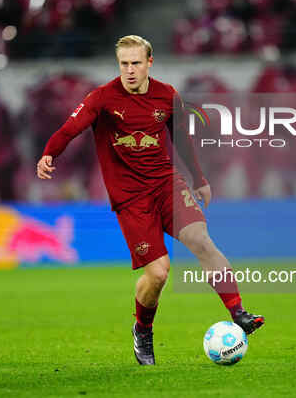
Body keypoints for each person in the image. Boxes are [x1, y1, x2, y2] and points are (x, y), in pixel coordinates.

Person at [36, 35, 264, 365]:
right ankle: (142, 330)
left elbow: (182, 139)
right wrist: (49, 154)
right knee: (158, 274)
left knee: (201, 240)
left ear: (149, 63)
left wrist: (199, 181)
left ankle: (238, 312)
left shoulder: (167, 95)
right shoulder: (102, 98)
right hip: (131, 198)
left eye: (135, 63)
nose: (129, 70)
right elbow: (70, 128)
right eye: (124, 64)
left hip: (167, 184)